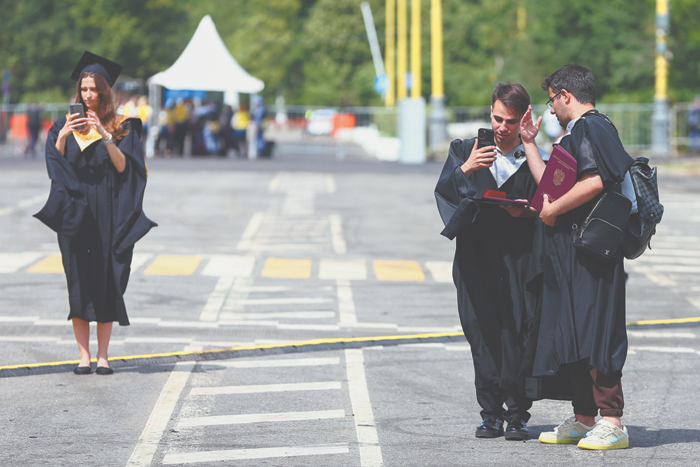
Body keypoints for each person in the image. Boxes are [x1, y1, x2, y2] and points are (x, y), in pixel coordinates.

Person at [519, 64, 634, 450]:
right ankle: (585, 417)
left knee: (597, 329)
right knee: (573, 330)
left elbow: (596, 180)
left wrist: (552, 212)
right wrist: (529, 143)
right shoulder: (576, 134)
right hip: (572, 252)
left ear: (566, 95)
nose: (550, 109)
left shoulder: (592, 127)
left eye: (552, 100)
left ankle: (612, 420)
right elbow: (549, 186)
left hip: (593, 251)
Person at [435, 83, 549, 440]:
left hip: (520, 255)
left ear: (523, 119)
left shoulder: (534, 157)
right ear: (490, 113)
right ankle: (490, 414)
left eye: (511, 122)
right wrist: (466, 169)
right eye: (497, 118)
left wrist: (528, 212)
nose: (502, 127)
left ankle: (517, 414)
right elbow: (445, 193)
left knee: (518, 329)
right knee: (481, 330)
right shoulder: (464, 150)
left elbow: (548, 201)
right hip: (475, 253)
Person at [34, 51, 156, 375]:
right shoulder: (63, 125)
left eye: (94, 90)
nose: (88, 96)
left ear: (105, 91)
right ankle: (83, 356)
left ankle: (103, 356)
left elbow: (124, 169)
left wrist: (104, 135)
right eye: (84, 90)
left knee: (104, 280)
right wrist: (61, 137)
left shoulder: (120, 126)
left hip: (107, 212)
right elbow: (55, 168)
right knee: (77, 280)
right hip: (75, 212)